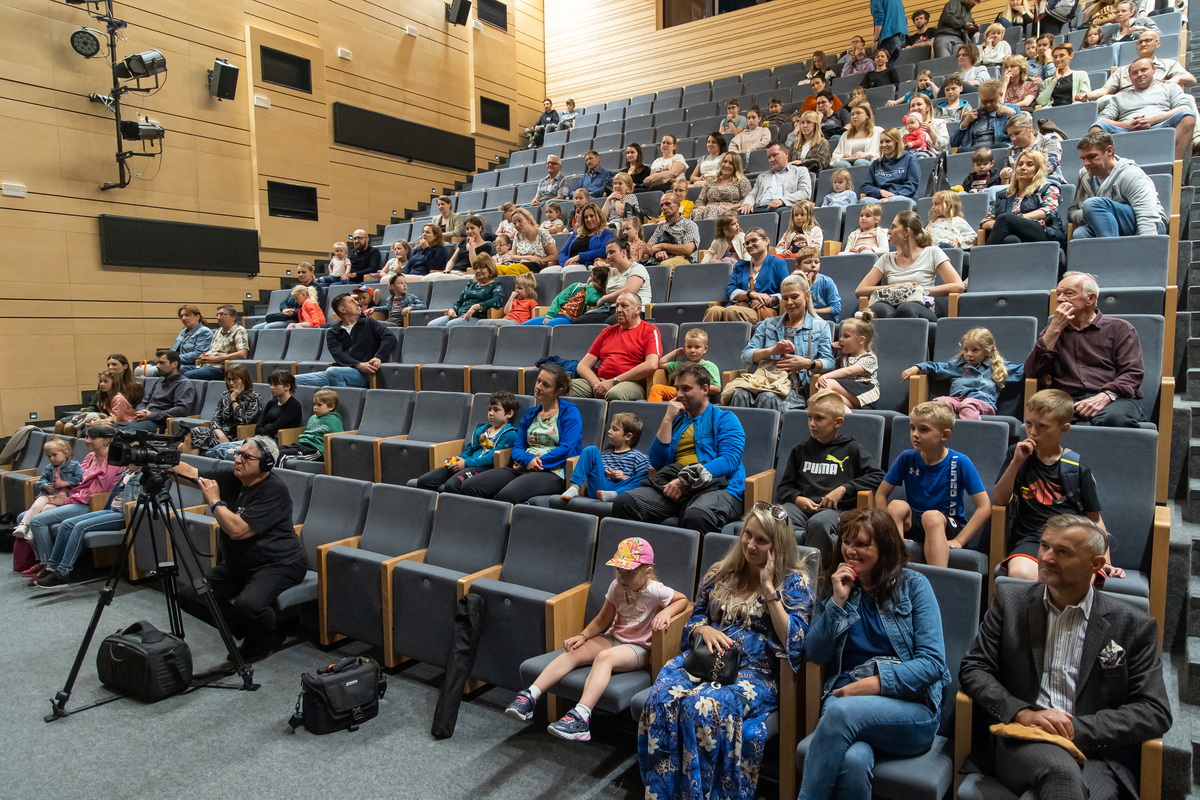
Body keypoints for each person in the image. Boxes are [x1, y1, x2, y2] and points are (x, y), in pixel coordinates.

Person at [958, 514, 1171, 800]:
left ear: (1096, 565)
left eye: (1063, 552)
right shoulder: (1011, 603)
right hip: (1022, 738)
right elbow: (975, 668)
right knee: (1060, 774)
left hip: (1094, 752)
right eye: (1044, 546)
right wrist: (1023, 713)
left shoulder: (1132, 624)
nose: (1046, 558)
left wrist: (1074, 728)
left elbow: (1154, 710)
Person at [638, 503, 814, 799]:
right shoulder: (721, 572)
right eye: (748, 535)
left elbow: (792, 641)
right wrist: (701, 628)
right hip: (704, 659)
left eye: (762, 540)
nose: (751, 545)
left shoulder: (794, 582)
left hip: (754, 673)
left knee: (703, 706)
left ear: (778, 546)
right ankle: (662, 793)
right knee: (661, 696)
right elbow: (696, 615)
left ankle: (700, 794)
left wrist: (769, 589)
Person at [797, 507, 950, 800]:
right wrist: (837, 604)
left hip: (909, 710)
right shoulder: (836, 586)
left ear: (885, 547)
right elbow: (814, 652)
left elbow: (932, 663)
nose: (850, 551)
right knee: (854, 762)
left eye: (861, 544)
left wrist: (872, 684)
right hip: (846, 706)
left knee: (840, 710)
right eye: (846, 542)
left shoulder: (914, 587)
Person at [508, 536, 689, 742]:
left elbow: (682, 599)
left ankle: (581, 718)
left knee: (605, 657)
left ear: (647, 572)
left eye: (629, 572)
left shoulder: (655, 590)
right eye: (619, 570)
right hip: (614, 637)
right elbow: (603, 618)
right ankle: (530, 696)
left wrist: (666, 613)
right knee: (574, 651)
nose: (622, 577)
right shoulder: (616, 586)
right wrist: (582, 635)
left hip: (639, 648)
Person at [172, 436, 307, 660]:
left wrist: (215, 502)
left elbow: (238, 530)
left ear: (266, 464)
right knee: (190, 597)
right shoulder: (234, 478)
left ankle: (266, 639)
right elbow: (193, 475)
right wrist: (163, 460)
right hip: (239, 564)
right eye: (238, 454)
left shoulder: (273, 490)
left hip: (279, 564)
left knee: (248, 605)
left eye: (246, 457)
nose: (238, 460)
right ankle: (250, 630)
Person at [993, 389, 1122, 582]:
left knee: (1074, 580)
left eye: (1043, 426)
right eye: (1028, 424)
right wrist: (1017, 462)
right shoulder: (1016, 454)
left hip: (1071, 541)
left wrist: (1106, 561)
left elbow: (1094, 519)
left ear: (1064, 428)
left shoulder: (1076, 468)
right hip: (1033, 539)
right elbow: (1000, 499)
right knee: (1019, 573)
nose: (1033, 432)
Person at [616, 362, 747, 530]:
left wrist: (686, 480)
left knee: (696, 515)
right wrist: (667, 419)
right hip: (675, 485)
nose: (679, 394)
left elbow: (730, 460)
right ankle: (635, 554)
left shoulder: (725, 419)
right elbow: (657, 462)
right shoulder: (677, 420)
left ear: (705, 389)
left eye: (686, 389)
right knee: (626, 502)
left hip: (718, 487)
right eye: (677, 388)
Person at [772, 390, 885, 562]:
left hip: (835, 510)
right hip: (802, 508)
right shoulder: (800, 450)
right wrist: (797, 499)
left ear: (837, 422)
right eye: (809, 417)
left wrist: (843, 489)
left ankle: (817, 577)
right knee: (774, 517)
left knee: (818, 524)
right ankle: (779, 571)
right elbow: (785, 486)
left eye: (819, 418)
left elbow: (877, 475)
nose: (812, 423)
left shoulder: (851, 449)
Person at [876, 401, 991, 567]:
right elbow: (880, 494)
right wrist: (885, 527)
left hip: (948, 524)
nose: (915, 434)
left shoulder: (960, 461)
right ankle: (894, 569)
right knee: (896, 506)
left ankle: (937, 580)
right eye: (912, 427)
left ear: (944, 435)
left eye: (923, 429)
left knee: (932, 516)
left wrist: (960, 540)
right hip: (917, 523)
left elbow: (984, 506)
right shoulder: (906, 458)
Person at [1025, 271, 1146, 427]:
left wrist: (1106, 396)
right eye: (1058, 294)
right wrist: (1054, 329)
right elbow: (1032, 371)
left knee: (1114, 419)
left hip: (1114, 397)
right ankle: (1070, 454)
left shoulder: (1120, 329)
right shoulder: (1052, 332)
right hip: (1067, 400)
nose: (1061, 299)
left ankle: (1102, 452)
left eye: (1069, 293)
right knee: (1044, 422)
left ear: (1090, 298)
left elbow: (1132, 373)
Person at [459, 364, 583, 503]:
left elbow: (567, 448)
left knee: (507, 495)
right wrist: (527, 460)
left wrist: (536, 462)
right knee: (470, 486)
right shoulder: (531, 413)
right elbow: (518, 446)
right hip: (524, 465)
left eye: (546, 385)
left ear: (557, 391)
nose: (538, 386)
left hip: (552, 471)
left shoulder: (570, 412)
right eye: (538, 381)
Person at [24, 426, 124, 586]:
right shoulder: (90, 457)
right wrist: (64, 493)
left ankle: (49, 566)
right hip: (75, 497)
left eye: (92, 438)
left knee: (37, 521)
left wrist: (66, 497)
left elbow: (99, 489)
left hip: (91, 502)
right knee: (24, 517)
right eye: (86, 437)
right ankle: (50, 565)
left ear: (106, 440)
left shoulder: (112, 460)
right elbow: (78, 482)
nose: (87, 441)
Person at [729, 273, 835, 410]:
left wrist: (808, 363)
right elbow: (746, 355)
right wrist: (771, 351)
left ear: (807, 295)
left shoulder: (820, 326)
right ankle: (739, 433)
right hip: (764, 382)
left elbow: (830, 362)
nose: (789, 302)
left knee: (768, 397)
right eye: (785, 298)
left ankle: (769, 432)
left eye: (794, 297)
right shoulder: (768, 324)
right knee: (739, 394)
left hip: (796, 389)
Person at [31, 464, 142, 590]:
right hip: (111, 510)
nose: (128, 460)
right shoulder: (127, 473)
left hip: (124, 515)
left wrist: (131, 522)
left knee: (80, 527)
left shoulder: (143, 476)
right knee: (67, 524)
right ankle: (52, 567)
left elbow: (140, 502)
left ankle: (63, 572)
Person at [856, 210, 965, 322]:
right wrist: (896, 287)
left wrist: (919, 290)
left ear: (906, 231)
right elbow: (860, 290)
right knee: (878, 309)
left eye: (893, 227)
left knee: (906, 308)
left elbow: (958, 285)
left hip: (921, 306)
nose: (889, 231)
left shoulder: (932, 252)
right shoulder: (886, 258)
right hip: (891, 302)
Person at [902, 326, 1024, 419]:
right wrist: (918, 367)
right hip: (957, 400)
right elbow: (936, 366)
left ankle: (968, 436)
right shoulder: (957, 366)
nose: (969, 354)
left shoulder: (998, 367)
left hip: (982, 403)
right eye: (966, 350)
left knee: (968, 404)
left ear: (987, 351)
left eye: (975, 350)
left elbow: (1026, 369)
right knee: (940, 403)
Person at [1068, 131, 1168, 239]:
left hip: (1151, 225)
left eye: (1092, 156)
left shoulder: (1131, 174)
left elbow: (1147, 215)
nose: (1086, 163)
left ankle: (1113, 252)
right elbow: (1072, 211)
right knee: (1080, 233)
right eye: (1083, 159)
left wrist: (1144, 247)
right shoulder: (1085, 175)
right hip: (1109, 225)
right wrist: (1091, 214)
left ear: (1109, 151)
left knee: (1092, 204)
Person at [1093, 57, 1196, 160]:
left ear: (1154, 70)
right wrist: (1126, 125)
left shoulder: (1169, 88)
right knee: (1096, 128)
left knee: (1188, 117)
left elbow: (1184, 107)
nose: (1139, 74)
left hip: (1161, 124)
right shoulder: (1119, 97)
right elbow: (1101, 119)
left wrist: (1152, 120)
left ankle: (1173, 164)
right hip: (1126, 130)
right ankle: (1106, 167)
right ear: (1130, 77)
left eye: (1144, 70)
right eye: (1134, 73)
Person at [414, 391, 519, 493]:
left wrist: (466, 463)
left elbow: (491, 458)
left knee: (452, 485)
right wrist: (459, 459)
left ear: (509, 414)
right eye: (489, 409)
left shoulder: (509, 434)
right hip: (467, 463)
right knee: (424, 481)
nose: (491, 413)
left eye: (496, 410)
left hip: (484, 469)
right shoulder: (482, 430)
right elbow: (470, 450)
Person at [570, 293, 662, 401]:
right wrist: (597, 385)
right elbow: (583, 365)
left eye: (624, 306)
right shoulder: (607, 332)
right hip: (601, 381)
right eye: (617, 306)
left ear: (638, 309)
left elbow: (651, 365)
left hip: (631, 383)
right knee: (561, 387)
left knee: (614, 394)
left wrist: (614, 381)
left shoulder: (650, 331)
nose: (618, 310)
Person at [294, 293, 397, 388]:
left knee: (333, 372)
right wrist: (358, 364)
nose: (357, 303)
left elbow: (389, 337)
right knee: (290, 381)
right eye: (352, 301)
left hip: (366, 373)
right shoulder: (333, 331)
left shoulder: (369, 323)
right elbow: (338, 354)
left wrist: (378, 357)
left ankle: (344, 404)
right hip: (345, 370)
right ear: (342, 309)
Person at [210, 370, 304, 460]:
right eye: (270, 384)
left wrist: (267, 430)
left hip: (276, 443)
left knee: (227, 453)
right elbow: (258, 427)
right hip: (260, 438)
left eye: (275, 384)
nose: (271, 387)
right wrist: (267, 430)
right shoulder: (271, 403)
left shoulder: (293, 405)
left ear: (287, 386)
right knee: (218, 449)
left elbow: (274, 428)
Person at [704, 228, 790, 323]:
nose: (750, 245)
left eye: (754, 240)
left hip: (761, 309)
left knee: (732, 311)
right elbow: (730, 290)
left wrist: (771, 299)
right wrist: (750, 294)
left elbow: (787, 291)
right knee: (713, 311)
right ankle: (701, 338)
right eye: (747, 243)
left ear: (766, 241)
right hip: (740, 305)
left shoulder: (777, 263)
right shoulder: (741, 266)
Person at [981, 151, 1066, 247]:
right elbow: (986, 221)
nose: (1023, 168)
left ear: (1038, 169)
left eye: (1029, 165)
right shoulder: (1003, 195)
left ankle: (984, 259)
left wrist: (1018, 219)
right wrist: (1000, 224)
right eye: (1020, 164)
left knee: (1006, 218)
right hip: (1011, 234)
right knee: (1011, 240)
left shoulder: (1048, 188)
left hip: (1044, 232)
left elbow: (1049, 211)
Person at [1082, 29, 1196, 100]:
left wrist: (1177, 78)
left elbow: (1192, 80)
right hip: (1128, 99)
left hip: (1158, 97)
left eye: (1148, 40)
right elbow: (1105, 90)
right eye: (1140, 42)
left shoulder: (1169, 64)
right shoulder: (1123, 70)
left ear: (1157, 44)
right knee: (1103, 100)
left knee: (1188, 98)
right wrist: (1086, 96)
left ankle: (1197, 139)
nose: (1143, 44)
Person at [560, 414, 652, 501]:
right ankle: (574, 487)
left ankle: (614, 495)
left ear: (628, 436)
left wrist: (623, 478)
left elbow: (641, 486)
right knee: (591, 449)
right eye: (610, 428)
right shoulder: (603, 455)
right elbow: (596, 474)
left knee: (646, 477)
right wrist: (605, 473)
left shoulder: (639, 457)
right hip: (599, 489)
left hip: (622, 491)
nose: (609, 431)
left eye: (614, 429)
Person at [10, 439, 82, 542]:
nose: (52, 458)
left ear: (65, 453)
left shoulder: (74, 465)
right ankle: (23, 525)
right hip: (49, 493)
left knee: (47, 509)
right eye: (49, 456)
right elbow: (42, 480)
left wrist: (67, 482)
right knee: (37, 504)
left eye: (54, 455)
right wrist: (45, 485)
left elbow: (80, 478)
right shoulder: (49, 467)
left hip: (64, 495)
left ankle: (31, 529)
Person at [182, 364, 262, 452]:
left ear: (244, 379)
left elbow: (244, 421)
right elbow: (215, 420)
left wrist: (233, 400)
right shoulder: (225, 395)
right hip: (221, 435)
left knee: (191, 440)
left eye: (234, 379)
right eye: (228, 379)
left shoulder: (253, 397)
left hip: (237, 437)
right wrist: (222, 436)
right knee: (193, 433)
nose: (231, 383)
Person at [575, 237, 652, 324]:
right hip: (611, 309)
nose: (608, 257)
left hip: (632, 310)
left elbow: (629, 291)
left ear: (623, 252)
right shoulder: (612, 272)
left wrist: (604, 299)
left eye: (612, 252)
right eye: (607, 253)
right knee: (579, 322)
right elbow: (602, 288)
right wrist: (592, 280)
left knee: (609, 324)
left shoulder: (637, 268)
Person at [815, 314, 881, 409]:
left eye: (846, 336)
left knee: (828, 383)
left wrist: (826, 376)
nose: (841, 339)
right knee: (831, 397)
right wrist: (832, 352)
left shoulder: (870, 358)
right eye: (841, 335)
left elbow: (849, 371)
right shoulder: (844, 357)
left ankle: (815, 408)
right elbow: (831, 367)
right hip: (852, 399)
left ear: (861, 340)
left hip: (865, 392)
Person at [120, 351, 196, 433]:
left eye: (162, 363)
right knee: (110, 428)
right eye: (157, 363)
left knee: (116, 432)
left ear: (174, 364)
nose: (157, 366)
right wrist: (141, 411)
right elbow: (144, 402)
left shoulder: (183, 383)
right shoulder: (159, 381)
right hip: (145, 420)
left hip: (161, 423)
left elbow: (182, 410)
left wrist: (151, 415)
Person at [428, 255, 505, 327]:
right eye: (475, 268)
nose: (478, 271)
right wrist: (452, 309)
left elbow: (497, 301)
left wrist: (476, 306)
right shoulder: (471, 285)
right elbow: (459, 302)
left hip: (476, 317)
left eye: (481, 268)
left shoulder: (496, 285)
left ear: (490, 268)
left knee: (451, 325)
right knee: (432, 325)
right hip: (459, 316)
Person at [648, 329, 722, 402]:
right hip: (680, 393)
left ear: (705, 349)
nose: (692, 350)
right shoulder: (681, 365)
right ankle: (654, 412)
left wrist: (694, 388)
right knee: (656, 389)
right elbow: (660, 363)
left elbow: (716, 388)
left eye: (697, 347)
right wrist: (676, 352)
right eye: (689, 347)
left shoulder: (710, 366)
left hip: (697, 396)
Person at [273, 388, 343, 466]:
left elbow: (338, 440)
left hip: (315, 450)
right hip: (302, 445)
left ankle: (279, 477)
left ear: (331, 407)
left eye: (319, 405)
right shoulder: (312, 418)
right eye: (314, 404)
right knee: (275, 451)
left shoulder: (334, 420)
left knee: (282, 456)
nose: (315, 407)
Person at [139, 305, 213, 377]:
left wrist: (173, 358)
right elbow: (173, 350)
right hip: (176, 363)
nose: (183, 318)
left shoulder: (204, 332)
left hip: (191, 365)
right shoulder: (184, 331)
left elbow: (198, 354)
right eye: (181, 316)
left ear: (197, 316)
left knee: (154, 373)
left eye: (187, 315)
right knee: (139, 370)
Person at [739, 143, 813, 213]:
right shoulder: (762, 176)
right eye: (769, 157)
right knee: (741, 213)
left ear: (786, 153)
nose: (771, 160)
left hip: (784, 206)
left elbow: (805, 192)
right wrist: (747, 203)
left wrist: (782, 200)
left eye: (775, 155)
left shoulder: (800, 171)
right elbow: (752, 195)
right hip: (761, 208)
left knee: (782, 211)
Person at [524, 265, 608, 326]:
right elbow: (558, 299)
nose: (590, 280)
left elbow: (590, 300)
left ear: (602, 285)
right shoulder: (576, 286)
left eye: (594, 280)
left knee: (547, 326)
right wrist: (550, 315)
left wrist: (590, 287)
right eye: (590, 276)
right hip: (556, 315)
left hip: (569, 319)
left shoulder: (599, 294)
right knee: (524, 326)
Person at [950, 79, 1017, 151]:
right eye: (984, 101)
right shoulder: (971, 115)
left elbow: (1022, 131)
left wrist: (1013, 114)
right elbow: (954, 143)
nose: (988, 105)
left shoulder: (1012, 109)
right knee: (962, 151)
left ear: (1000, 95)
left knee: (1002, 146)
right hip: (975, 152)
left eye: (992, 100)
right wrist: (964, 124)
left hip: (998, 147)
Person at [186, 304, 249, 381]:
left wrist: (217, 358)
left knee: (188, 375)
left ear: (233, 317)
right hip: (206, 365)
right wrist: (205, 355)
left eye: (222, 314)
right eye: (217, 315)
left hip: (221, 368)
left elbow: (242, 354)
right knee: (176, 372)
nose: (218, 317)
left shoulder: (239, 331)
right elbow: (213, 350)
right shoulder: (218, 331)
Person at [1000, 112, 1063, 186]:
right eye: (1010, 135)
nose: (1013, 138)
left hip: (1046, 183)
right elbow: (1009, 173)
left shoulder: (1048, 140)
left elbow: (1048, 166)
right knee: (992, 191)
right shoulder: (1012, 150)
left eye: (1017, 133)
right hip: (1019, 187)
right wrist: (1005, 174)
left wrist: (1021, 175)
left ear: (1030, 128)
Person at [860, 128, 922, 200]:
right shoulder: (876, 163)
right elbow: (865, 186)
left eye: (888, 141)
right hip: (880, 198)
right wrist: (880, 192)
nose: (883, 145)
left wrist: (892, 196)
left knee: (894, 200)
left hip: (902, 197)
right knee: (865, 200)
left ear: (897, 142)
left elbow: (912, 185)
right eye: (881, 142)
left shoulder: (910, 159)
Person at [554, 203, 614, 271]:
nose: (588, 219)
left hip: (587, 265)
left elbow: (603, 251)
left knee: (567, 270)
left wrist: (580, 257)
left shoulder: (606, 233)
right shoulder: (576, 233)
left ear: (599, 217)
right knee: (549, 272)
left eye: (592, 216)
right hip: (569, 265)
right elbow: (562, 252)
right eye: (586, 217)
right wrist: (567, 263)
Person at [692, 152, 752, 221]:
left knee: (713, 210)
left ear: (736, 166)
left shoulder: (742, 180)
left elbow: (747, 200)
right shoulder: (711, 181)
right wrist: (705, 208)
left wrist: (730, 207)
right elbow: (699, 201)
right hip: (708, 210)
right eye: (725, 161)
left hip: (730, 212)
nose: (726, 165)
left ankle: (711, 231)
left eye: (731, 163)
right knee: (696, 212)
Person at [646, 192, 701, 265]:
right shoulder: (661, 227)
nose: (664, 208)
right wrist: (657, 251)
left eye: (668, 204)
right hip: (662, 261)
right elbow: (648, 247)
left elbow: (688, 249)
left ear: (678, 205)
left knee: (664, 265)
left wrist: (662, 246)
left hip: (683, 261)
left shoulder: (689, 224)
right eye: (662, 205)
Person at [1035, 44, 1091, 109]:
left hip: (1072, 108)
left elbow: (1084, 97)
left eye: (1062, 55)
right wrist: (1055, 80)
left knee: (1077, 104)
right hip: (1052, 110)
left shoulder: (1081, 75)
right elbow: (1041, 102)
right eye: (1055, 57)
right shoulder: (1047, 82)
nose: (1058, 59)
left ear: (1071, 55)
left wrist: (1079, 98)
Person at [795, 247, 843, 321]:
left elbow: (836, 308)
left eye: (816, 262)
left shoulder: (827, 281)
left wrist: (813, 311)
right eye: (808, 262)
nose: (813, 265)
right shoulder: (794, 283)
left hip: (825, 318)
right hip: (803, 317)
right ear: (798, 267)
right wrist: (808, 287)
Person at [831, 103, 883, 168]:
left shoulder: (878, 131)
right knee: (841, 164)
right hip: (848, 164)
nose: (854, 116)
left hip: (871, 165)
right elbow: (835, 156)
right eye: (852, 114)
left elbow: (884, 154)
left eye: (858, 113)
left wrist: (865, 155)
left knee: (860, 162)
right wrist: (842, 156)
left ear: (867, 115)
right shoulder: (845, 135)